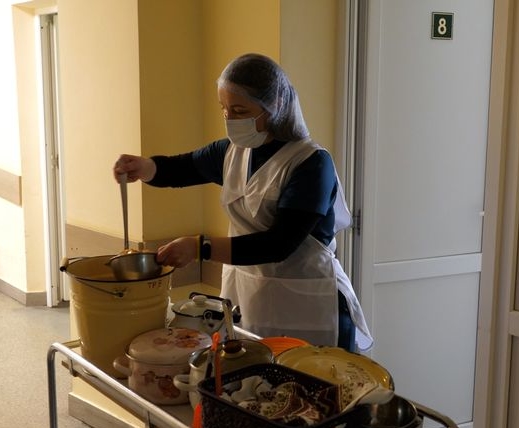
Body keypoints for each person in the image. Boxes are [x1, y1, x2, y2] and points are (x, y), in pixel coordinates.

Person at [113, 53, 372, 352]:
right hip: (250, 297)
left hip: (310, 303)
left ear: (275, 106)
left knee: (309, 375)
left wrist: (200, 247)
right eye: (224, 108)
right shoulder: (232, 152)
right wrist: (144, 167)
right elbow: (183, 168)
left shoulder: (310, 163)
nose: (229, 119)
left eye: (239, 110)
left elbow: (279, 244)